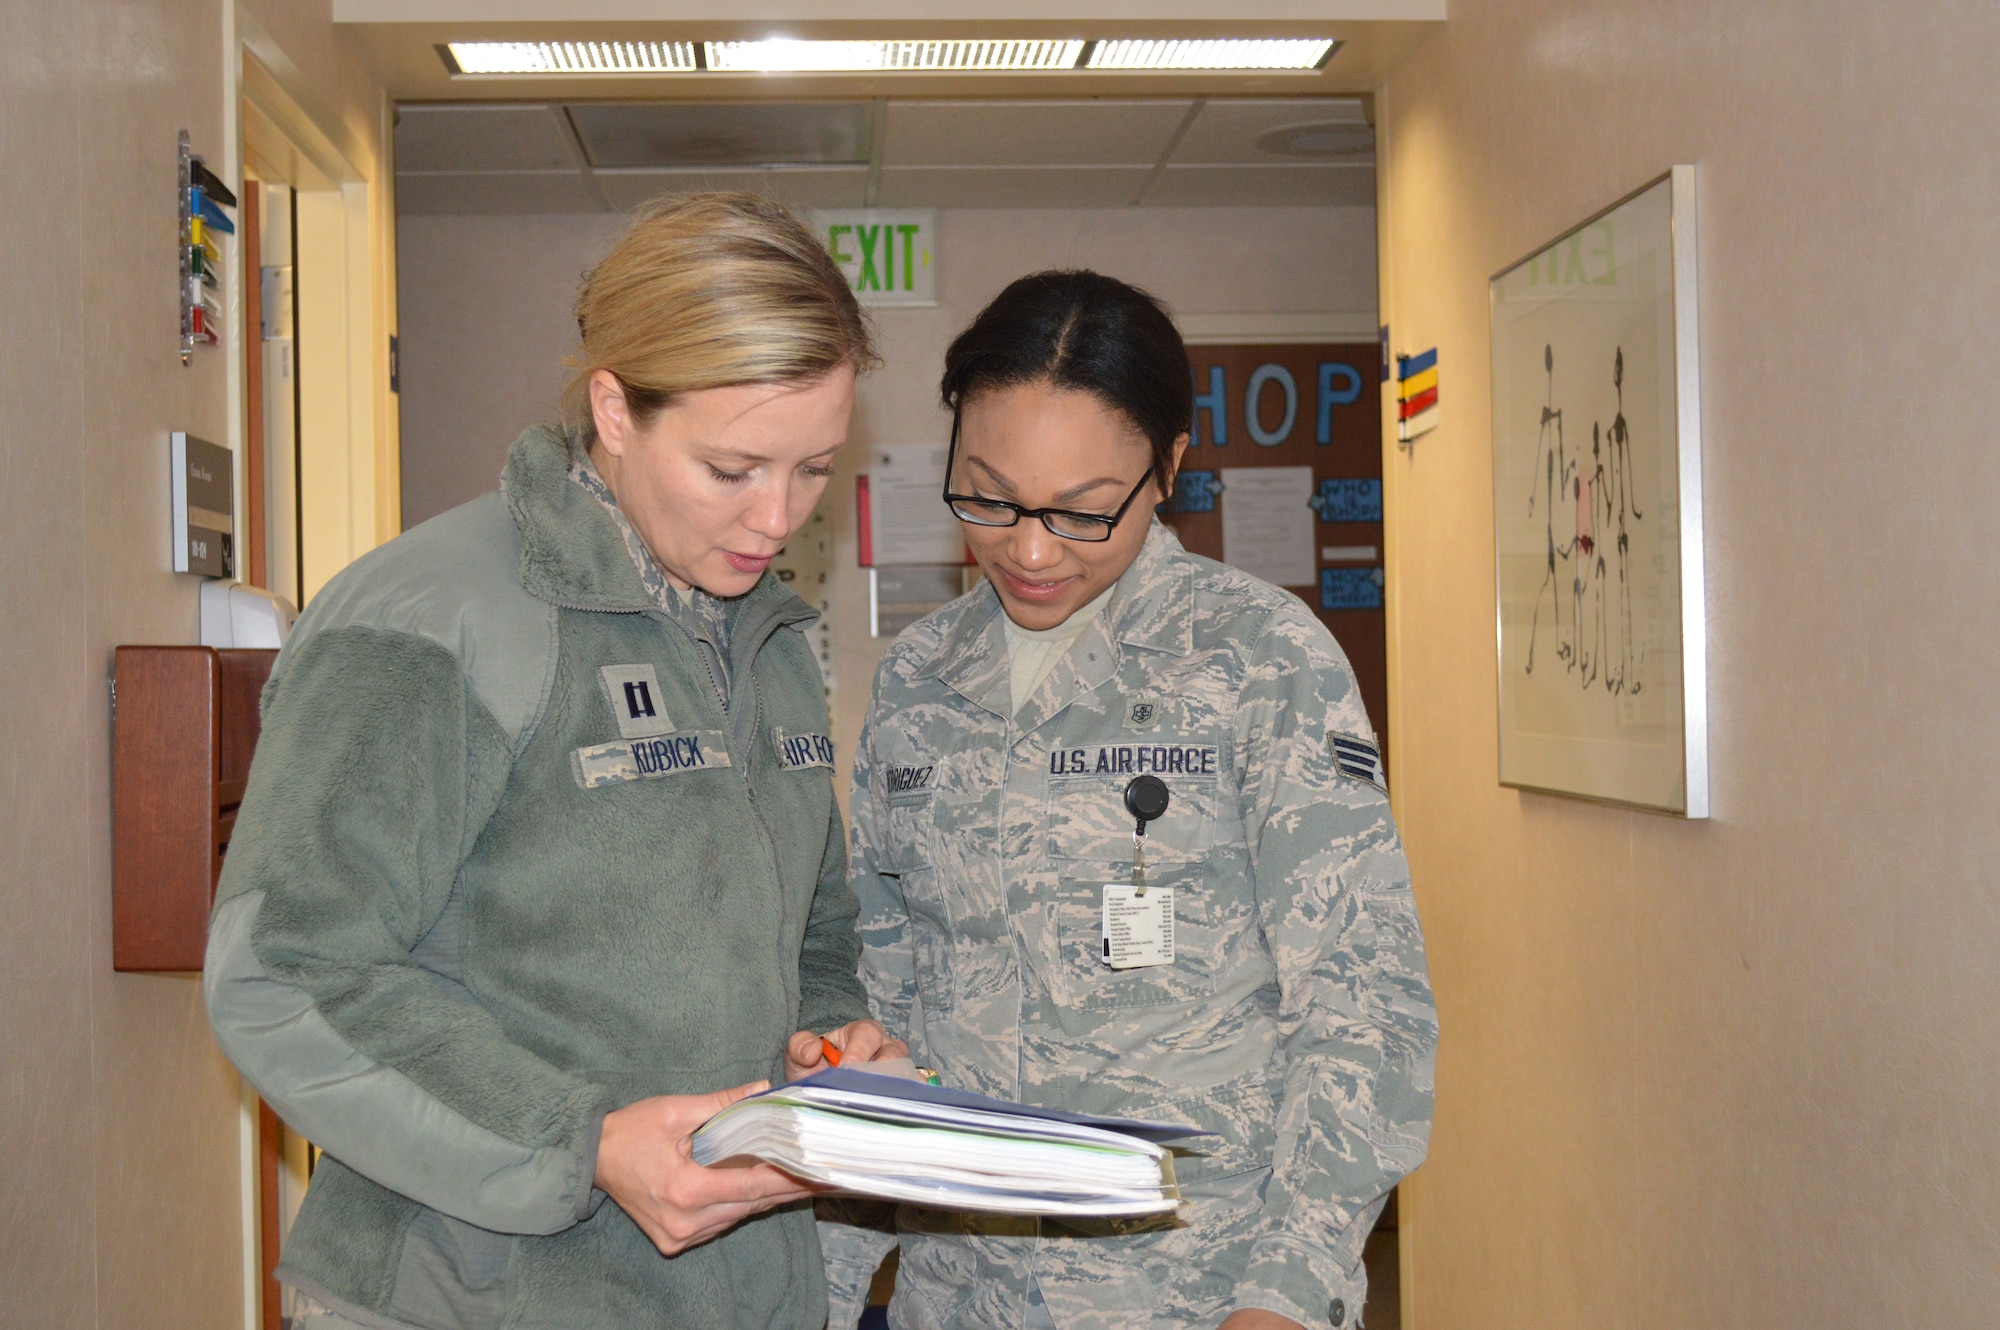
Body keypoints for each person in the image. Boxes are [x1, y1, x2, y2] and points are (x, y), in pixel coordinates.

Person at [205, 193, 905, 1330]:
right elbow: (284, 971)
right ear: (615, 409)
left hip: (737, 1294)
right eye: (732, 468)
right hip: (470, 1292)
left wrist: (835, 1042)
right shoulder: (433, 616)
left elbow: (810, 941)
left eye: (813, 469)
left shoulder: (764, 636)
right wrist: (581, 1144)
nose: (777, 517)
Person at [824, 270, 1437, 1330]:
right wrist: (821, 1293)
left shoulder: (1257, 658)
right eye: (987, 493)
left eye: (1080, 511)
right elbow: (883, 999)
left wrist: (1286, 1293)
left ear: (1169, 472)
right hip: (957, 1296)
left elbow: (1361, 1000)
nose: (1027, 548)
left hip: (1195, 1293)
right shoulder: (919, 680)